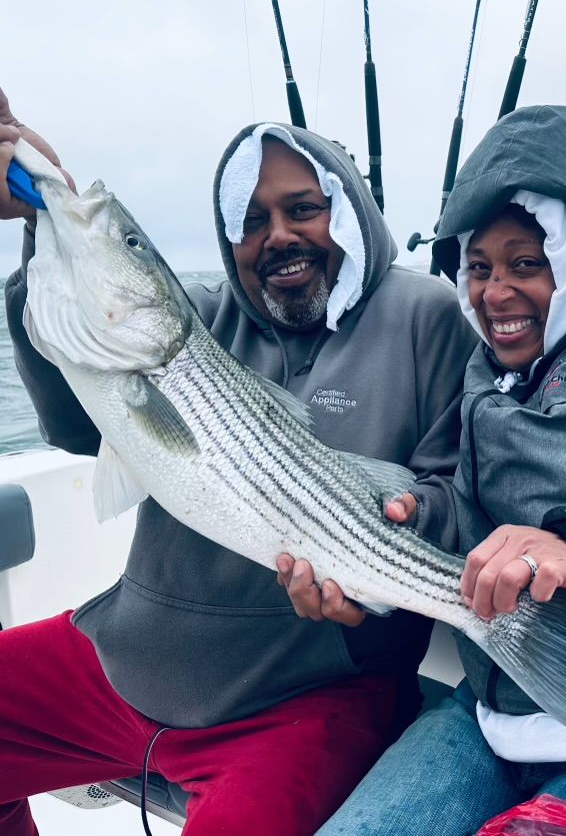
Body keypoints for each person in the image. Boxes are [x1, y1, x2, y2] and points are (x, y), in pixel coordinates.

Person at [0, 87, 475, 836]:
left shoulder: (425, 316)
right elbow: (74, 422)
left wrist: (404, 524)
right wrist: (41, 221)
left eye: (301, 208)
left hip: (306, 696)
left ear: (345, 211)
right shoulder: (202, 316)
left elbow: (454, 486)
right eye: (250, 221)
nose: (276, 235)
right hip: (127, 658)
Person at [281, 105, 566, 836]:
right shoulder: (482, 365)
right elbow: (461, 496)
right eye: (477, 267)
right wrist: (413, 515)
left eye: (525, 263)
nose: (493, 293)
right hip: (489, 714)